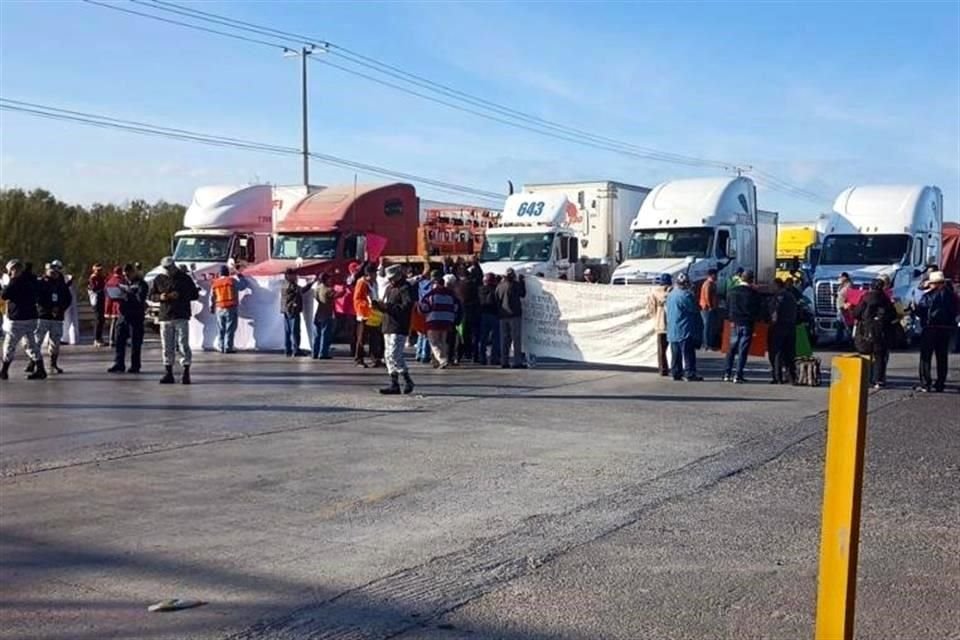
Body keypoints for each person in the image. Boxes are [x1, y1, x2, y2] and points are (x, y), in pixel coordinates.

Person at [149, 256, 199, 384]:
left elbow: (195, 294)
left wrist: (180, 295)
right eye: (166, 268)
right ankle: (168, 371)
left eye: (170, 267)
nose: (168, 270)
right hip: (165, 315)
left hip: (181, 314)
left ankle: (186, 371)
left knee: (183, 343)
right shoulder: (159, 279)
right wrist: (160, 297)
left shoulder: (184, 278)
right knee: (167, 345)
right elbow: (151, 295)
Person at [373, 264, 416, 394]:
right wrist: (379, 306)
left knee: (394, 354)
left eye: (392, 278)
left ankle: (407, 379)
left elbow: (405, 307)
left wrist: (386, 307)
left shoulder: (405, 288)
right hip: (388, 324)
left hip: (399, 325)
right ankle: (394, 383)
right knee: (388, 355)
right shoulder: (390, 288)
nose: (391, 280)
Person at [0, 259, 46, 380]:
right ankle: (41, 369)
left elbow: (4, 295)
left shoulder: (15, 282)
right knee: (30, 344)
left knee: (9, 345)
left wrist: (12, 280)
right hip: (31, 317)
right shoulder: (31, 280)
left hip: (18, 319)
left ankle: (4, 370)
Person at [914, 271, 956, 392]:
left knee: (925, 357)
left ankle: (925, 383)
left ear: (934, 283)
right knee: (942, 357)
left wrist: (914, 309)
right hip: (946, 329)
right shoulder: (951, 296)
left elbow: (921, 311)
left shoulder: (928, 296)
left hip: (930, 328)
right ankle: (940, 383)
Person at [853, 278, 897, 389]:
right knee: (880, 356)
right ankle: (878, 380)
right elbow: (893, 314)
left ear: (871, 287)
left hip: (866, 330)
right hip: (881, 331)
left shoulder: (865, 298)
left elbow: (856, 313)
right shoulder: (885, 299)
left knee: (866, 354)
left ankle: (867, 378)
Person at [33, 260, 73, 375]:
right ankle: (34, 362)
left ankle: (53, 363)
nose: (54, 274)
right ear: (46, 271)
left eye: (55, 272)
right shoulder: (41, 283)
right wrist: (49, 308)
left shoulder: (61, 284)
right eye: (51, 272)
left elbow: (67, 299)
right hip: (43, 316)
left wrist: (60, 309)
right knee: (37, 340)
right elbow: (38, 299)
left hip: (57, 317)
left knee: (55, 342)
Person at [723, 269, 761, 383]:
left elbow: (727, 306)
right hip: (747, 322)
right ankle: (738, 374)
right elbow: (757, 309)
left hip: (734, 322)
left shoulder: (732, 291)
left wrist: (730, 318)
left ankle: (727, 373)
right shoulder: (753, 293)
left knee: (731, 348)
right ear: (751, 280)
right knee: (742, 350)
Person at [109, 263, 148, 374]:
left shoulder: (141, 284)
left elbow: (140, 299)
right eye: (124, 275)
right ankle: (119, 363)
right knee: (119, 340)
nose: (126, 277)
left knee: (136, 342)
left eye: (128, 274)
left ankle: (135, 365)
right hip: (123, 315)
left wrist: (128, 292)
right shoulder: (123, 283)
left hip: (136, 316)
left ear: (133, 272)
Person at [665, 273, 703, 381]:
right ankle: (690, 373)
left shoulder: (671, 295)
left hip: (672, 328)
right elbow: (695, 308)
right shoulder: (686, 295)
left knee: (675, 353)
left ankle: (676, 373)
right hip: (684, 328)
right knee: (688, 353)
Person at [418, 270, 459, 368]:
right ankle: (439, 361)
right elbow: (456, 307)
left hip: (433, 322)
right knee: (443, 342)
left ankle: (442, 360)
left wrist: (419, 307)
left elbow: (424, 308)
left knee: (434, 342)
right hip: (447, 322)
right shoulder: (451, 295)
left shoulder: (430, 295)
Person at [767, 278, 798, 385]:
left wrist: (771, 323)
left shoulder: (777, 298)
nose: (770, 288)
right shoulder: (791, 296)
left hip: (778, 327)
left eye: (772, 285)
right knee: (789, 352)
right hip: (791, 326)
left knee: (776, 353)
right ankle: (792, 377)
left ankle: (777, 377)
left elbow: (774, 314)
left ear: (777, 286)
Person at [495, 267, 526, 369]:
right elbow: (523, 293)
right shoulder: (515, 285)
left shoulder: (499, 286)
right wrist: (522, 281)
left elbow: (496, 300)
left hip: (503, 316)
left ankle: (504, 361)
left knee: (504, 340)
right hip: (514, 315)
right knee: (516, 339)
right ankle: (517, 362)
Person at [353, 265, 384, 367]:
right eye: (375, 273)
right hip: (364, 314)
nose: (376, 275)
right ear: (369, 274)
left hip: (374, 313)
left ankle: (375, 358)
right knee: (362, 338)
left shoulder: (374, 283)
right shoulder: (361, 282)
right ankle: (359, 359)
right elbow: (357, 299)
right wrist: (368, 305)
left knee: (375, 337)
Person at [281, 268, 315, 358]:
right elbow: (302, 290)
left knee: (287, 331)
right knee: (295, 331)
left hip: (285, 310)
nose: (296, 277)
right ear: (289, 276)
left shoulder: (284, 284)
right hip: (293, 310)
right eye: (294, 275)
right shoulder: (292, 285)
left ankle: (288, 349)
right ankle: (296, 350)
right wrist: (311, 283)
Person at [210, 265, 240, 354]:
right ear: (228, 273)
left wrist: (211, 307)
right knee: (230, 328)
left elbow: (212, 297)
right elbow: (242, 286)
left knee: (221, 328)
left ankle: (221, 346)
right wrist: (240, 276)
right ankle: (228, 347)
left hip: (219, 308)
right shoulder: (231, 281)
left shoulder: (215, 283)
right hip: (231, 307)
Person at [646, 273, 672, 376]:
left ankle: (663, 369)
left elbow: (651, 309)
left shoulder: (654, 293)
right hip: (672, 323)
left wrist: (655, 317)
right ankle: (676, 368)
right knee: (675, 348)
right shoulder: (674, 292)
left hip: (660, 324)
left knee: (661, 349)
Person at [475, 272, 501, 365]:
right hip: (494, 315)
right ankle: (494, 358)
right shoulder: (496, 289)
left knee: (483, 338)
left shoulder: (479, 289)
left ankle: (482, 357)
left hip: (482, 315)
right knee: (496, 338)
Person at [312, 272, 336, 360]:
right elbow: (336, 295)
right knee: (325, 334)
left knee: (317, 334)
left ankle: (315, 352)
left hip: (318, 313)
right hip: (327, 313)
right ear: (326, 280)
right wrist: (344, 291)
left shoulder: (317, 288)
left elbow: (315, 297)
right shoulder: (329, 290)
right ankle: (323, 353)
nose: (331, 280)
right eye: (329, 279)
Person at [698, 268, 719, 351]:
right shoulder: (708, 284)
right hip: (706, 308)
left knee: (709, 327)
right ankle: (706, 345)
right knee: (707, 327)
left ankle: (709, 343)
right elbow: (707, 296)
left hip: (709, 308)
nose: (717, 276)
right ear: (712, 275)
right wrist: (710, 306)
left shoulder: (711, 283)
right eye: (716, 274)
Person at [87, 263, 107, 347]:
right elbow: (94, 288)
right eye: (98, 270)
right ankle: (96, 339)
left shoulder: (101, 277)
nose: (100, 271)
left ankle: (100, 337)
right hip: (96, 299)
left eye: (101, 270)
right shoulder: (93, 278)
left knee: (102, 319)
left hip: (102, 299)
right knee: (98, 319)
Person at [835, 272, 853, 345]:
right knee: (839, 325)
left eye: (840, 277)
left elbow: (849, 296)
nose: (839, 278)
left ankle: (850, 341)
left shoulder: (849, 286)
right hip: (840, 307)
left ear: (845, 277)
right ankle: (839, 341)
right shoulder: (841, 286)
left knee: (847, 325)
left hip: (845, 308)